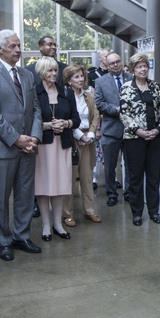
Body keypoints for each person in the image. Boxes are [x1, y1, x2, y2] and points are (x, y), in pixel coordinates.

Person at [0, 29, 43, 262]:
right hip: (2, 147)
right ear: (0, 49)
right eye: (13, 46)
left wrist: (33, 137)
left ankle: (21, 236)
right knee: (1, 197)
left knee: (25, 195)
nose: (18, 50)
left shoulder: (26, 75)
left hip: (28, 147)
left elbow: (35, 108)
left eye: (19, 45)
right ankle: (4, 241)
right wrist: (16, 139)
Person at [33, 56, 79, 241]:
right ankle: (45, 224)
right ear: (41, 72)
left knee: (60, 185)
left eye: (55, 70)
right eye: (49, 70)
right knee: (44, 185)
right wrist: (47, 126)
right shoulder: (34, 93)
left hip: (63, 145)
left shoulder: (66, 92)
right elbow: (29, 120)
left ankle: (58, 223)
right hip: (43, 146)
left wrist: (66, 123)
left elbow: (76, 119)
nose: (53, 74)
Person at [119, 53, 160, 226]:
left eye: (145, 66)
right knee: (136, 177)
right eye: (139, 66)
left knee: (154, 177)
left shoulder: (156, 87)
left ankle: (154, 211)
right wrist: (138, 131)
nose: (143, 69)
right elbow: (124, 114)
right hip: (134, 139)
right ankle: (137, 213)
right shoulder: (126, 88)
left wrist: (158, 129)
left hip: (155, 138)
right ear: (133, 69)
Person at [61, 64, 101, 227]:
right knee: (69, 179)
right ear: (69, 80)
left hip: (88, 140)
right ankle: (67, 214)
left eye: (82, 76)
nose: (81, 79)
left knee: (87, 177)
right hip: (72, 139)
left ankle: (89, 210)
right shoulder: (64, 96)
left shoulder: (89, 95)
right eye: (76, 77)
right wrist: (80, 135)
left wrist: (90, 134)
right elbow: (66, 117)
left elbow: (96, 115)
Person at [93, 52, 131, 206]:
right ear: (107, 66)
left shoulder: (131, 78)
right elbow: (99, 103)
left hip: (130, 130)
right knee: (109, 165)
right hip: (110, 129)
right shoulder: (100, 82)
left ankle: (129, 192)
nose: (116, 65)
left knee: (130, 164)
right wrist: (116, 110)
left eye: (118, 61)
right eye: (112, 63)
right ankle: (111, 193)